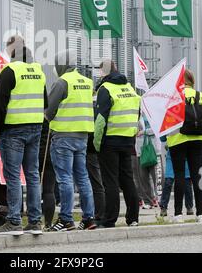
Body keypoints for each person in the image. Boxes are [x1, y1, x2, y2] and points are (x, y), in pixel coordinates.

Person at [0, 40, 47, 236]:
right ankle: (35, 221)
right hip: (35, 127)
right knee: (32, 174)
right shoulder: (39, 72)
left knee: (13, 175)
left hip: (13, 129)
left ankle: (14, 221)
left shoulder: (10, 71)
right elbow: (45, 102)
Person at [46, 50, 96, 232]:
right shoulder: (87, 82)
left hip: (64, 136)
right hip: (82, 136)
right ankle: (89, 217)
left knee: (65, 177)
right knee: (82, 177)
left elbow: (49, 110)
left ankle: (66, 219)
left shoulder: (62, 82)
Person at [94, 59, 141, 228]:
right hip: (128, 140)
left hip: (110, 141)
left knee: (111, 181)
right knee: (128, 179)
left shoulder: (105, 89)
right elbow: (137, 114)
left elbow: (100, 121)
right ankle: (133, 218)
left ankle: (109, 220)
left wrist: (96, 144)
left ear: (103, 71)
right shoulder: (130, 88)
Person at [167, 69, 202, 223]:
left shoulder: (174, 97)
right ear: (192, 80)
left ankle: (178, 214)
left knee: (179, 175)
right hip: (198, 139)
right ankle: (200, 214)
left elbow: (167, 121)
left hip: (178, 139)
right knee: (196, 175)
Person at [159, 148, 194, 217]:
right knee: (168, 182)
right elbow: (162, 138)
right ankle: (163, 207)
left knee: (187, 184)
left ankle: (189, 207)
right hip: (171, 157)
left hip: (185, 158)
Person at [136, 115, 161, 209]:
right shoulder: (137, 114)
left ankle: (159, 200)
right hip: (141, 150)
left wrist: (143, 132)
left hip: (154, 150)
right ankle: (148, 201)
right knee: (143, 177)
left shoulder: (154, 112)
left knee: (157, 177)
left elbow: (157, 129)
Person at [39, 119, 56, 231]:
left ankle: (34, 220)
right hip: (51, 151)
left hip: (36, 152)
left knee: (34, 187)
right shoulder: (53, 114)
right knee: (49, 190)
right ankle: (48, 222)